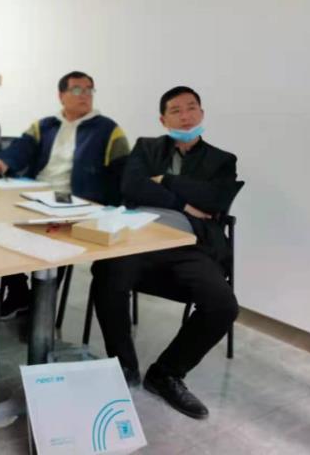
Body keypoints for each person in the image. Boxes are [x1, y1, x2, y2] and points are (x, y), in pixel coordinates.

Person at [92, 86, 242, 420]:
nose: (185, 116)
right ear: (163, 119)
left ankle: (166, 374)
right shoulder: (146, 147)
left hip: (189, 244)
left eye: (191, 108)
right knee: (106, 271)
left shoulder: (222, 160)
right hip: (138, 234)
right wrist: (185, 203)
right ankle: (123, 367)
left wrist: (164, 181)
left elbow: (215, 200)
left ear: (202, 113)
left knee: (223, 305)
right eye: (176, 110)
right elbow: (132, 186)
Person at [0, 71, 130, 318]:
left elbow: (123, 174)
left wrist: (112, 210)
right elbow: (20, 149)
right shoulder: (44, 125)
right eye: (77, 89)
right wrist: (3, 160)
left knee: (56, 242)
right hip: (37, 195)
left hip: (79, 203)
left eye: (89, 90)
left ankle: (39, 310)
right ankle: (19, 291)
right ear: (61, 95)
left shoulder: (109, 130)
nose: (84, 95)